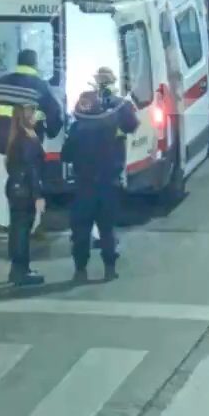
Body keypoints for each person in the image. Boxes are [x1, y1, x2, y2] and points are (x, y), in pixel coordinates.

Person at [61, 67, 139, 282]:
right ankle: (109, 268)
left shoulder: (79, 126)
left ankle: (80, 270)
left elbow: (66, 154)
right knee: (107, 228)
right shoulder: (119, 106)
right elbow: (132, 125)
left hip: (83, 183)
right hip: (109, 181)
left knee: (81, 229)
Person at [0, 49, 63, 229]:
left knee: (0, 182)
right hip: (28, 146)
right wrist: (50, 133)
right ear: (35, 64)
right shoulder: (41, 87)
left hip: (0, 144)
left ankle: (4, 221)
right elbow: (55, 115)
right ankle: (32, 225)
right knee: (32, 181)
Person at [4, 104, 47, 286]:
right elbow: (32, 170)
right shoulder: (27, 139)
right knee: (22, 231)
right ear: (27, 116)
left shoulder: (19, 136)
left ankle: (18, 269)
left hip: (15, 188)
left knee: (17, 230)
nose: (37, 114)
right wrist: (38, 196)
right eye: (33, 111)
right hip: (25, 190)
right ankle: (21, 272)